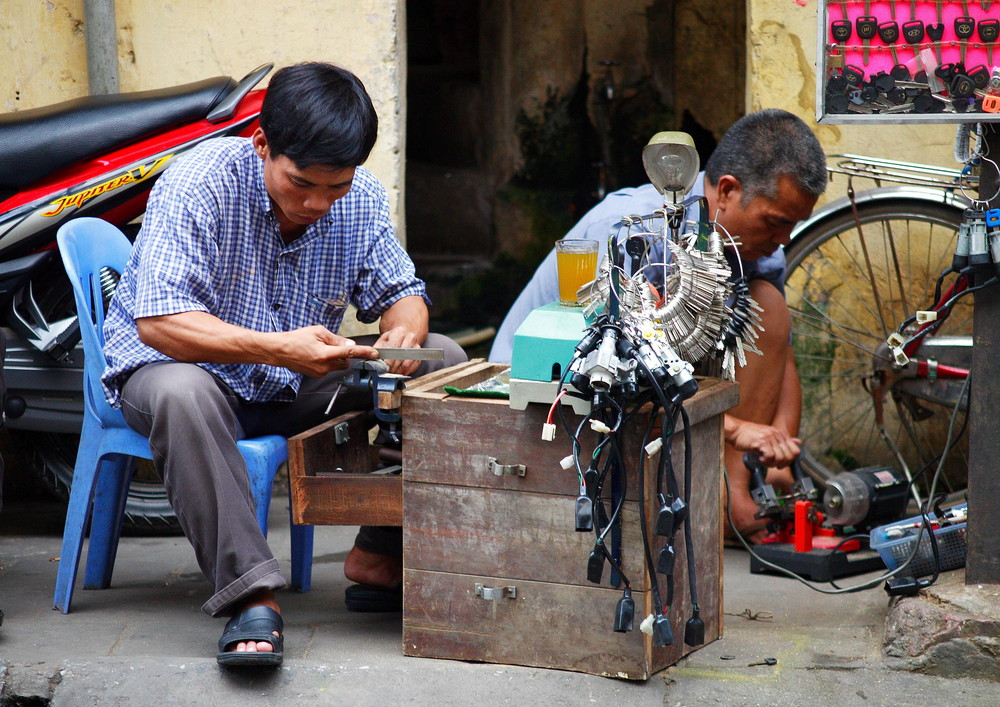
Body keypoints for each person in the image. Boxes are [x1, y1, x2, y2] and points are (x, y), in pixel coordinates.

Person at [101, 62, 466, 667]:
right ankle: (252, 596)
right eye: (301, 184)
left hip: (286, 382)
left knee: (442, 361)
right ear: (262, 144)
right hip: (172, 375)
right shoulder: (199, 183)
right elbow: (159, 323)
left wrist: (403, 333)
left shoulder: (361, 199)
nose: (318, 203)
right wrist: (277, 347)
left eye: (336, 188)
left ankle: (378, 555)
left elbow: (404, 290)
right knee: (184, 393)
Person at [490, 109, 827, 544]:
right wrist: (737, 430)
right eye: (776, 222)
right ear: (726, 191)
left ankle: (731, 491)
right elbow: (615, 376)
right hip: (559, 392)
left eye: (793, 226)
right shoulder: (633, 234)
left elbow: (780, 352)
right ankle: (717, 499)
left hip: (665, 395)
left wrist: (778, 457)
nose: (783, 239)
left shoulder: (759, 250)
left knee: (769, 305)